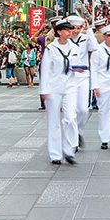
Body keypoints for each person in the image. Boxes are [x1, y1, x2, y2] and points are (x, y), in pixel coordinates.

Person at [40, 20, 83, 164]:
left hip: (70, 87)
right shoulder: (51, 49)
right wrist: (44, 90)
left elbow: (77, 65)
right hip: (54, 88)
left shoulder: (75, 48)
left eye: (72, 30)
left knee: (71, 118)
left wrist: (79, 68)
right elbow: (45, 70)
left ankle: (69, 150)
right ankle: (55, 154)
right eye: (68, 30)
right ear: (59, 32)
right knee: (53, 122)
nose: (71, 32)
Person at [67, 15, 98, 141]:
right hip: (68, 76)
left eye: (79, 28)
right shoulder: (65, 40)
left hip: (83, 75)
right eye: (73, 28)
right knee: (70, 110)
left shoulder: (85, 38)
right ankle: (73, 134)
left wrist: (89, 30)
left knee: (83, 109)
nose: (75, 31)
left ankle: (79, 130)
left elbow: (94, 47)